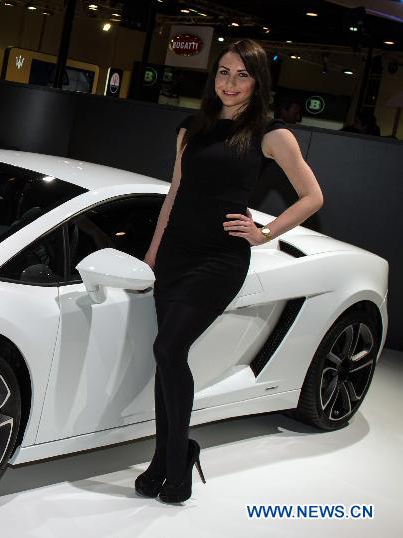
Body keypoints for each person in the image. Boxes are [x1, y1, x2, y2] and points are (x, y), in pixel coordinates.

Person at [135, 39, 324, 504]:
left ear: (258, 81)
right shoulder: (191, 127)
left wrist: (264, 232)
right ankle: (168, 459)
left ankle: (172, 460)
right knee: (167, 359)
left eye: (242, 75)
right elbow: (174, 193)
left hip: (219, 259)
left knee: (168, 346)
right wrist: (152, 255)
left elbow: (312, 196)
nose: (230, 83)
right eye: (223, 72)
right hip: (176, 254)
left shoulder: (270, 134)